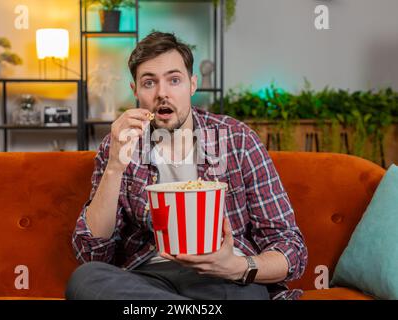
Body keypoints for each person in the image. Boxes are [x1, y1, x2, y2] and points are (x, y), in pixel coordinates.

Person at [66, 32, 308, 300]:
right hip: (150, 279)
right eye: (149, 83)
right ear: (135, 91)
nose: (162, 93)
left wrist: (237, 267)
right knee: (85, 280)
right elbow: (91, 253)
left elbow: (291, 249)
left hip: (225, 280)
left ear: (192, 85)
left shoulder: (238, 139)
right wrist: (114, 167)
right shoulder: (120, 144)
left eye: (174, 80)